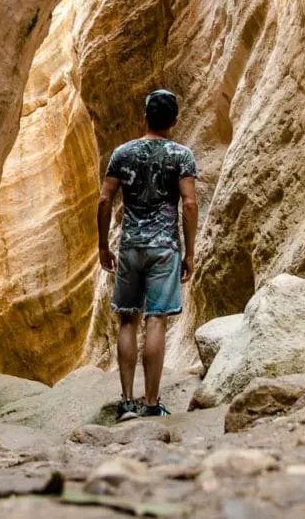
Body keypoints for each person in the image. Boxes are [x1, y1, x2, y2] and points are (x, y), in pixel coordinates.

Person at [97, 89, 198, 421]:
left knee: (128, 318)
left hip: (130, 247)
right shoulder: (180, 155)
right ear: (174, 121)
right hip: (164, 249)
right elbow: (189, 203)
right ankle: (151, 403)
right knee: (156, 319)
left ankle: (126, 401)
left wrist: (102, 245)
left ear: (145, 117)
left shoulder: (123, 153)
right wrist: (189, 251)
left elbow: (104, 199)